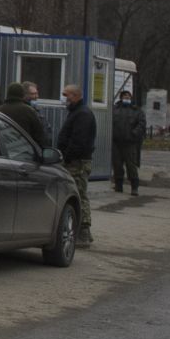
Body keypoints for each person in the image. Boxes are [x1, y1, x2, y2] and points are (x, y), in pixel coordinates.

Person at [54, 84, 96, 247]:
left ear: (76, 96)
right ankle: (79, 231)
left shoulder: (82, 115)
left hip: (77, 162)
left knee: (79, 195)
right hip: (74, 161)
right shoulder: (76, 113)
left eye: (66, 95)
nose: (64, 98)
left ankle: (84, 232)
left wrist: (67, 157)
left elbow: (79, 141)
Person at [111, 88, 146, 194]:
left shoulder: (137, 111)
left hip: (130, 143)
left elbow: (142, 124)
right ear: (121, 98)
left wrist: (134, 134)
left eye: (128, 97)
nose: (127, 98)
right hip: (116, 142)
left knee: (131, 166)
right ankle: (118, 185)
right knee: (117, 165)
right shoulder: (115, 109)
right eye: (125, 97)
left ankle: (134, 187)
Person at [0, 82, 49, 149]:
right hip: (25, 151)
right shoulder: (29, 111)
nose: (36, 96)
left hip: (4, 149)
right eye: (33, 94)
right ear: (23, 94)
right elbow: (39, 135)